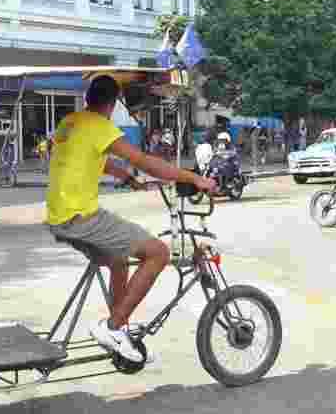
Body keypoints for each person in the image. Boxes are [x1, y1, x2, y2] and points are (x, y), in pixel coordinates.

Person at [46, 75, 217, 363]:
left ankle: (119, 327)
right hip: (80, 217)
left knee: (119, 260)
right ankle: (113, 327)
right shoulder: (100, 126)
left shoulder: (71, 122)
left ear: (89, 98)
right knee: (158, 253)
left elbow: (86, 158)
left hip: (58, 216)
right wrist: (194, 178)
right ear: (113, 104)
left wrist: (125, 177)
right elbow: (143, 160)